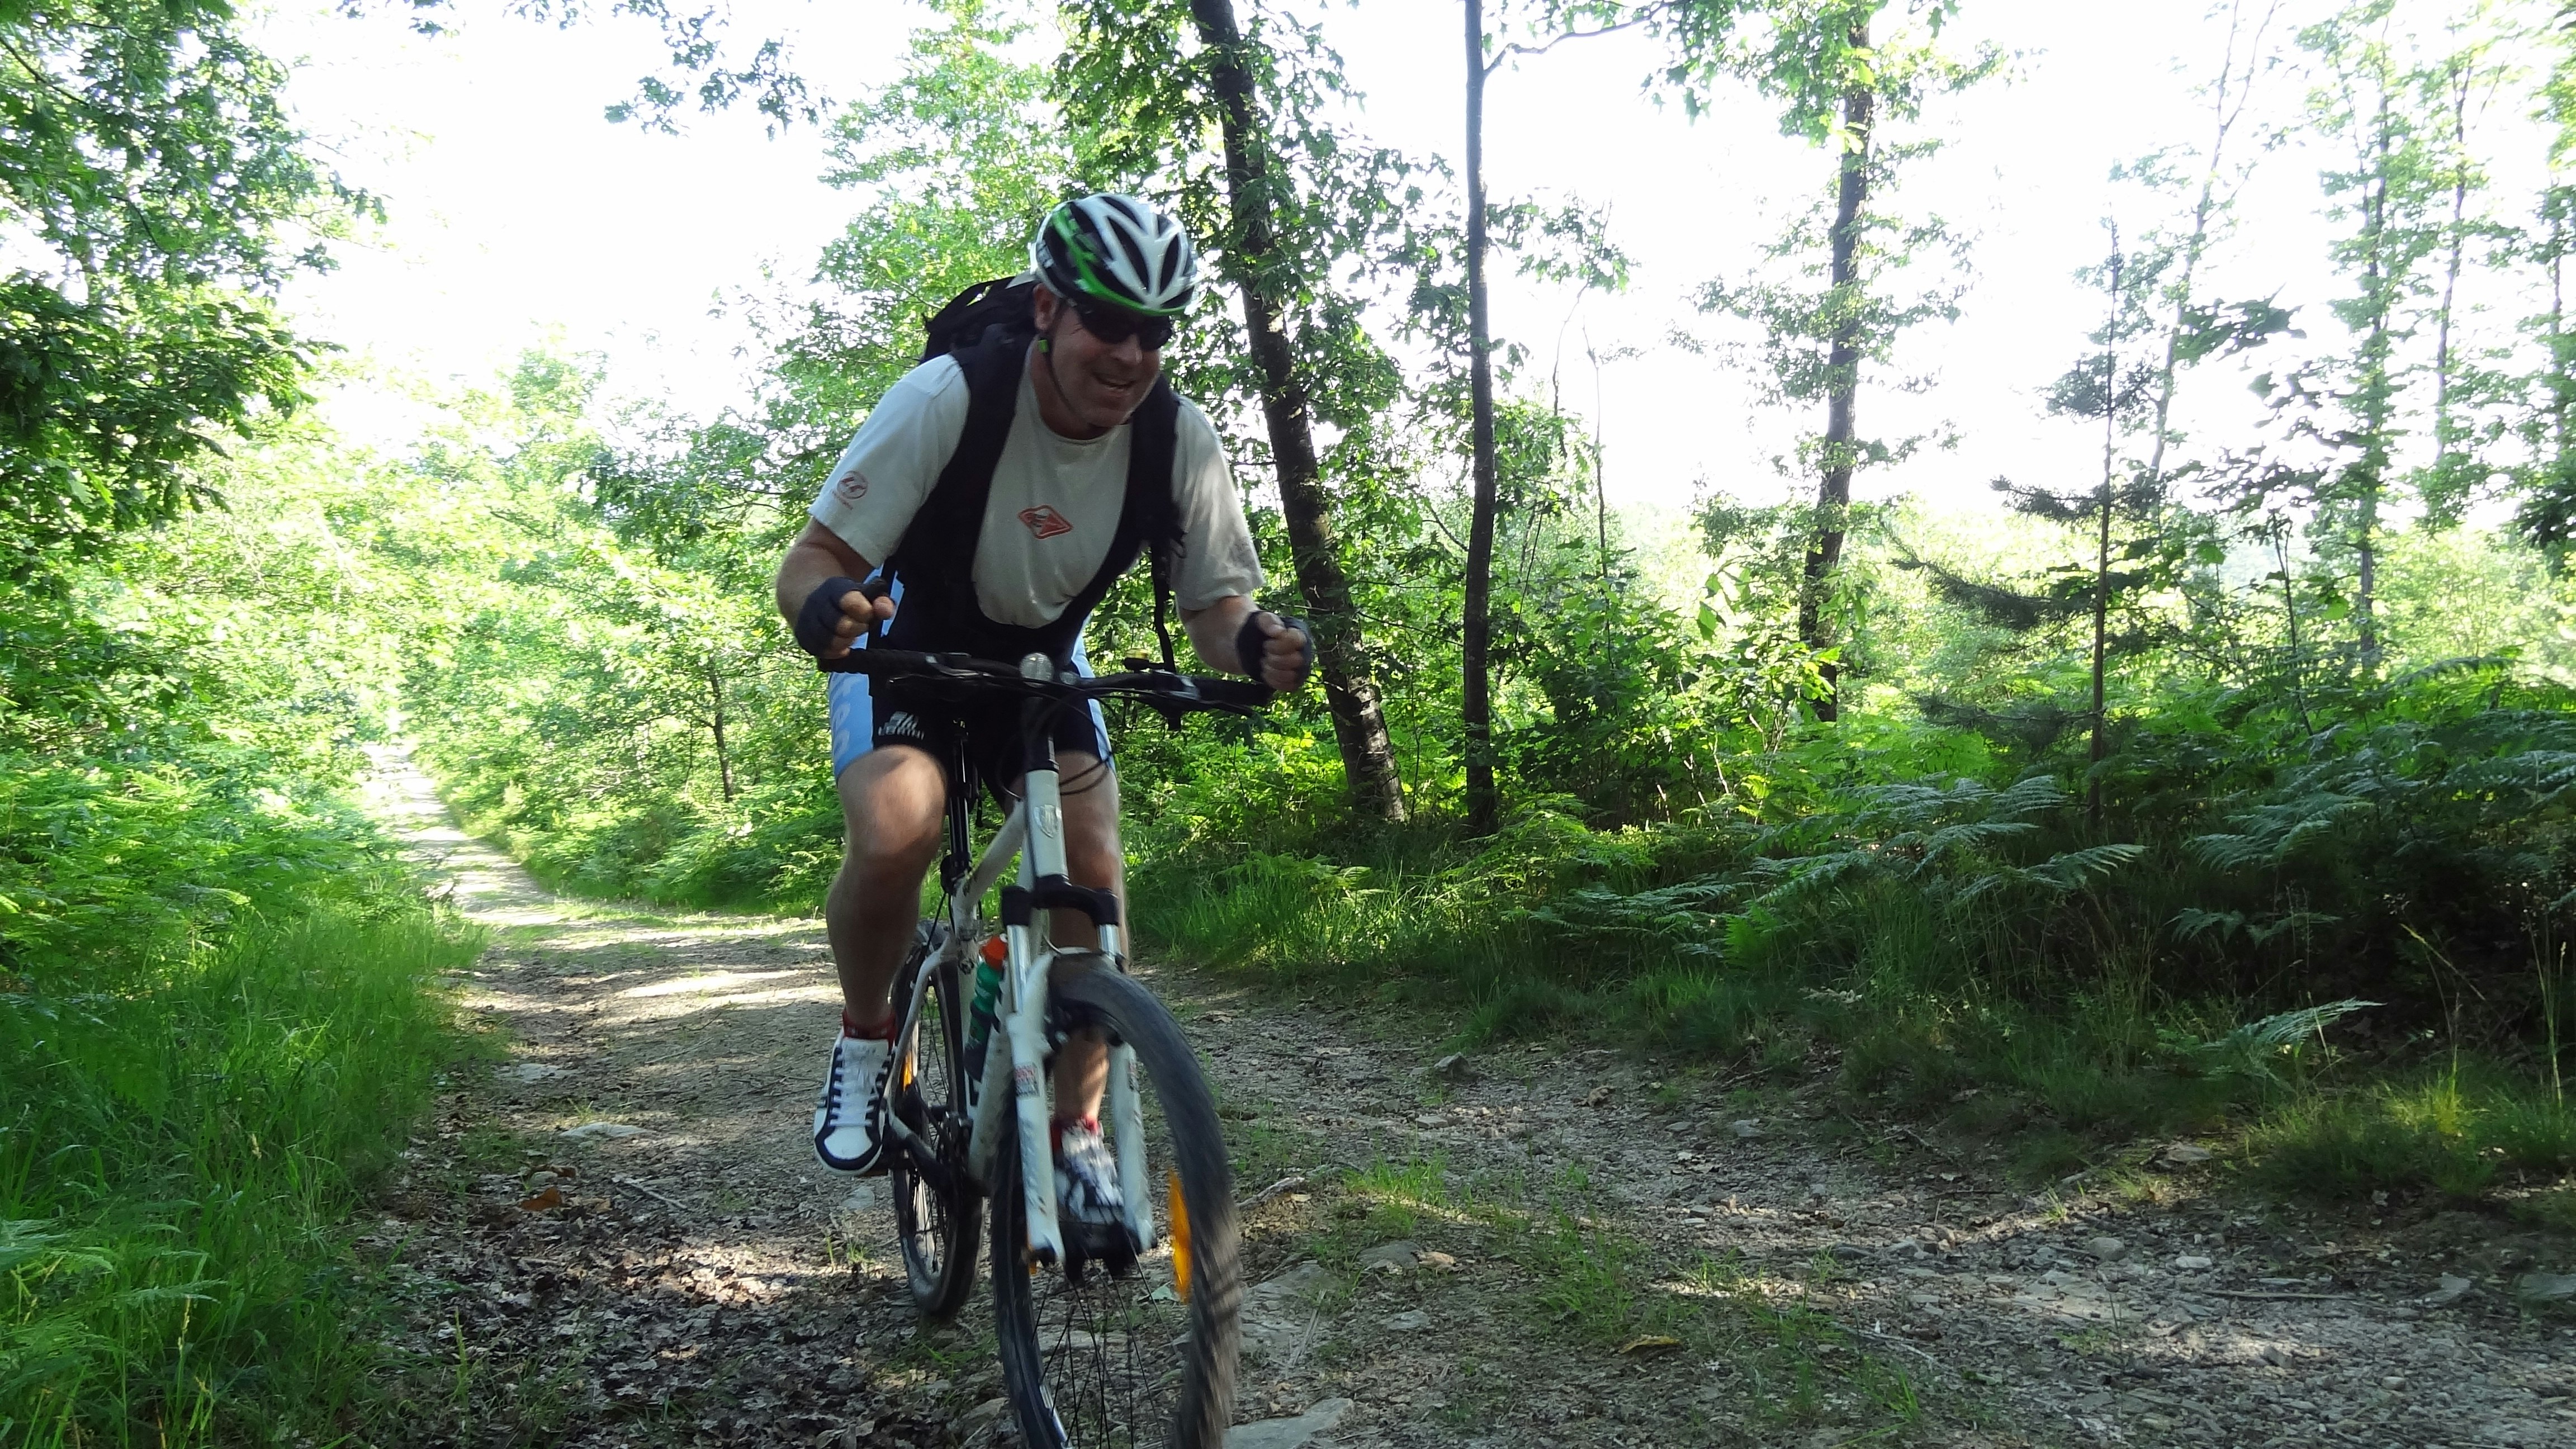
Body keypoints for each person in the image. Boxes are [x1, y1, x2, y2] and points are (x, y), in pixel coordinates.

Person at [773, 193, 1312, 1269]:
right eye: (1109, 320)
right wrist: (826, 611)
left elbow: (1216, 612)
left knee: (1096, 877)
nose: (1131, 352)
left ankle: (1075, 1137)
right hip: (909, 642)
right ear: (1050, 308)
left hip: (1038, 663)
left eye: (1158, 329)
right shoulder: (949, 396)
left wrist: (1255, 644)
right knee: (898, 829)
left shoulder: (1175, 436)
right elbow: (813, 559)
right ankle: (869, 1034)